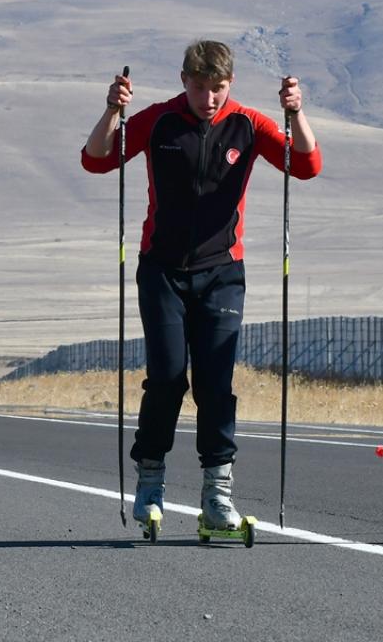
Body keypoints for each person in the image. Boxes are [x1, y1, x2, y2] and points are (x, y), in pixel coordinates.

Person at [81, 40, 322, 531]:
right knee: (168, 377)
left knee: (215, 383)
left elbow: (306, 166)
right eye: (198, 87)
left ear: (230, 84)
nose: (208, 98)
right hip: (162, 271)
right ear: (183, 81)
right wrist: (112, 110)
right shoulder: (160, 120)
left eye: (218, 88)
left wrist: (296, 115)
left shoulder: (248, 125)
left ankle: (217, 497)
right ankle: (151, 482)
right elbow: (96, 159)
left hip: (222, 273)